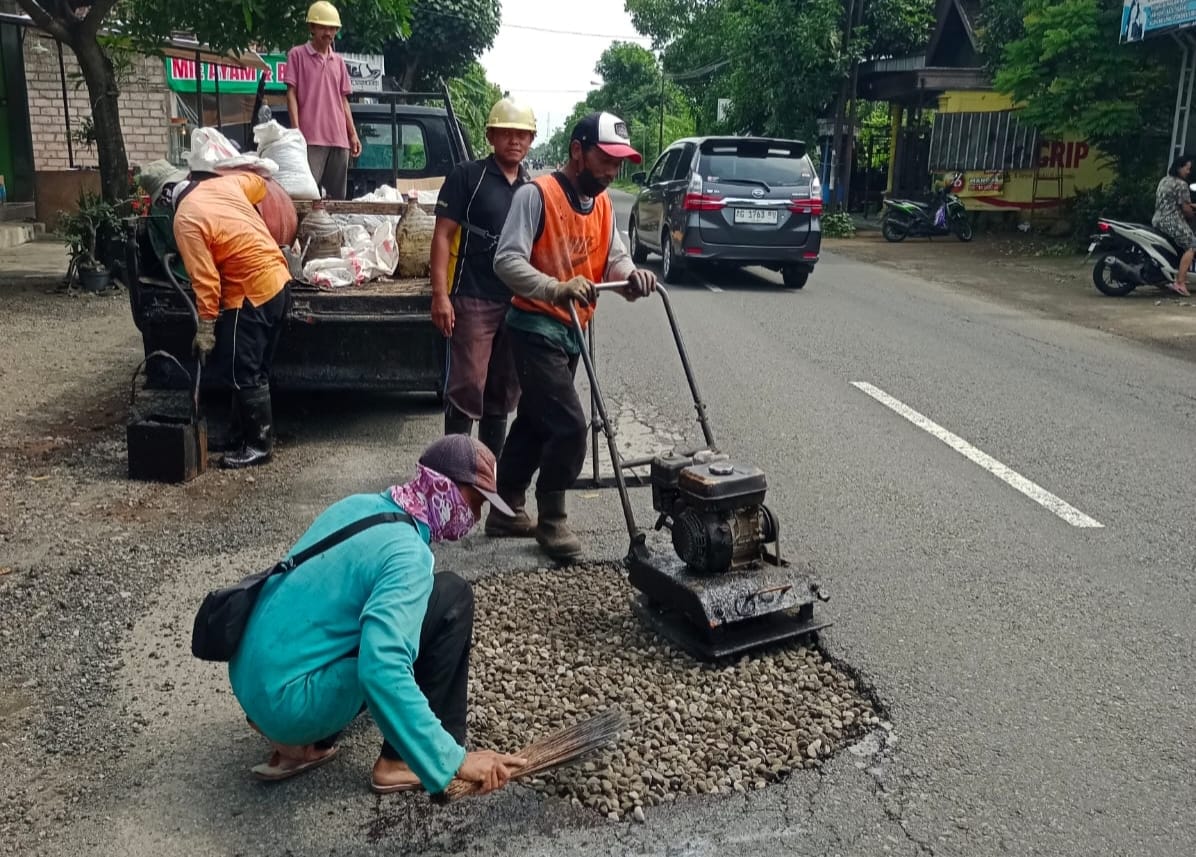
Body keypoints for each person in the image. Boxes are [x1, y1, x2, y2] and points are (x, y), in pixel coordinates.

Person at [227, 434, 526, 795]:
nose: (475, 518)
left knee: (365, 616)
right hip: (288, 705)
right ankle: (397, 761)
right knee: (451, 596)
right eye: (475, 502)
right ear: (443, 486)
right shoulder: (408, 555)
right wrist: (451, 759)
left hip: (252, 680)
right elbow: (380, 668)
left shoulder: (360, 505)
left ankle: (304, 745)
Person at [488, 111, 658, 560]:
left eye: (618, 163)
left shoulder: (602, 203)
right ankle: (553, 518)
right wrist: (554, 287)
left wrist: (630, 277)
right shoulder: (536, 195)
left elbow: (614, 258)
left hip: (571, 329)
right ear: (577, 151)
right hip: (533, 325)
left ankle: (504, 507)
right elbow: (506, 261)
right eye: (605, 160)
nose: (612, 171)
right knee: (568, 425)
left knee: (535, 419)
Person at [430, 98, 536, 479]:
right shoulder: (467, 177)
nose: (514, 141)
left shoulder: (533, 187)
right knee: (467, 386)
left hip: (518, 301)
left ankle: (489, 476)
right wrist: (440, 295)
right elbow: (442, 235)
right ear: (491, 136)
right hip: (472, 295)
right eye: (506, 133)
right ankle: (450, 475)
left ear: (531, 140)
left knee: (503, 392)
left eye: (522, 134)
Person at [170, 170, 293, 467]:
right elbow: (259, 184)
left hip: (250, 292)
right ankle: (240, 435)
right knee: (256, 371)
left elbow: (206, 278)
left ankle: (259, 447)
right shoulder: (225, 184)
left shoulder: (185, 219)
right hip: (280, 281)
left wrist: (207, 324)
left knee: (242, 371)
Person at [284, 2, 362, 200]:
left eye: (332, 28)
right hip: (310, 139)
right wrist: (296, 131)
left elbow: (343, 100)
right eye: (323, 27)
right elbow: (291, 93)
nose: (328, 33)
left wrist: (352, 134)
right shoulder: (297, 55)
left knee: (337, 201)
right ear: (312, 28)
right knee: (307, 198)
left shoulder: (339, 62)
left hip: (339, 140)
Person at [1152, 153, 1196, 297]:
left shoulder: (1165, 180)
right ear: (1179, 168)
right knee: (1192, 245)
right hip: (1171, 220)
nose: (1189, 172)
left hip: (1158, 219)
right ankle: (1180, 282)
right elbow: (1185, 208)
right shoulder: (1181, 184)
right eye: (1187, 169)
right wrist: (1191, 215)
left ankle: (1173, 275)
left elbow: (1174, 202)